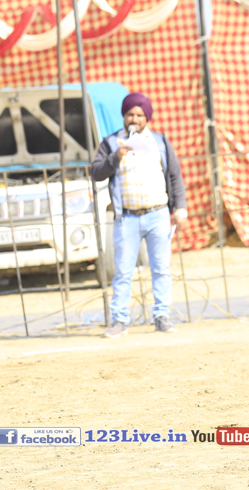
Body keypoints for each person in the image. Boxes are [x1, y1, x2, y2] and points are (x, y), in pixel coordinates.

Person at [90, 91, 187, 337]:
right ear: (124, 116)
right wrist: (115, 158)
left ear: (147, 118)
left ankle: (162, 316)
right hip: (127, 218)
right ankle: (120, 321)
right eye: (130, 114)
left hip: (157, 214)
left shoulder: (159, 142)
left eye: (139, 115)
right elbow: (96, 173)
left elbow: (174, 176)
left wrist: (180, 208)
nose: (134, 119)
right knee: (123, 271)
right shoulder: (111, 143)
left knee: (161, 268)